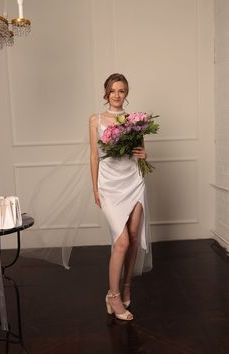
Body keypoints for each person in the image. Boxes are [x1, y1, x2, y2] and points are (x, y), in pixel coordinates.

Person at [89, 73, 150, 321]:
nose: (117, 95)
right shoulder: (95, 120)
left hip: (133, 180)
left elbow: (141, 151)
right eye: (113, 91)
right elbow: (94, 156)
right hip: (109, 184)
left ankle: (126, 287)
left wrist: (144, 155)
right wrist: (95, 188)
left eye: (122, 91)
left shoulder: (135, 120)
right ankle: (113, 296)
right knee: (121, 241)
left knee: (133, 238)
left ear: (126, 93)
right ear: (106, 93)